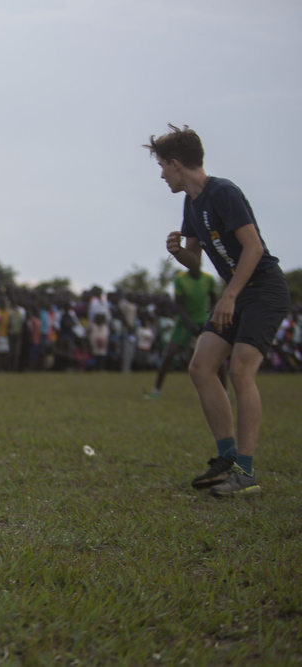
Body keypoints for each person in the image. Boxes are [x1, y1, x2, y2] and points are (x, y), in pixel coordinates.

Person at [145, 124, 289, 497]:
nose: (161, 175)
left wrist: (229, 296)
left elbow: (254, 249)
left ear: (176, 164)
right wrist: (179, 252)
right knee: (200, 366)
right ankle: (226, 457)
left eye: (162, 166)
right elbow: (196, 262)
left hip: (264, 290)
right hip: (238, 291)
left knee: (240, 371)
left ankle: (246, 471)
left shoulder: (223, 192)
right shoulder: (190, 203)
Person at [146, 267, 227, 398]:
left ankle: (225, 392)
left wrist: (211, 319)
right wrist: (189, 324)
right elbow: (178, 304)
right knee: (169, 354)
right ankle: (157, 391)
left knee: (217, 357)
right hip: (184, 322)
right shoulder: (180, 278)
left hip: (203, 321)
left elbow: (213, 301)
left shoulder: (208, 279)